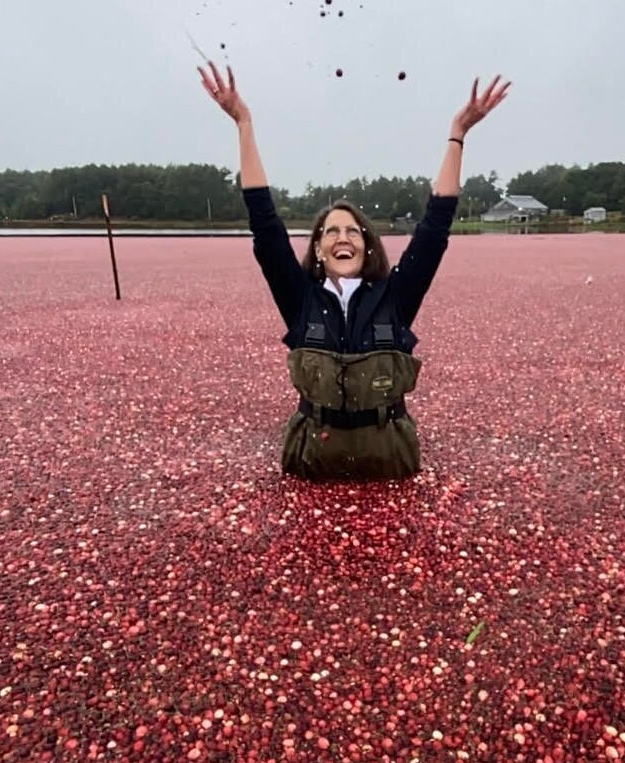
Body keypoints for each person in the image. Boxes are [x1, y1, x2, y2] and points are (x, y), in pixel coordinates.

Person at [198, 61, 510, 481]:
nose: (342, 237)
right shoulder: (300, 297)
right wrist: (243, 122)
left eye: (352, 230)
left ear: (367, 244)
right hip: (311, 463)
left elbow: (435, 227)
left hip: (391, 464)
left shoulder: (395, 297)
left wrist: (458, 134)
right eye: (331, 232)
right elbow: (265, 224)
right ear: (318, 248)